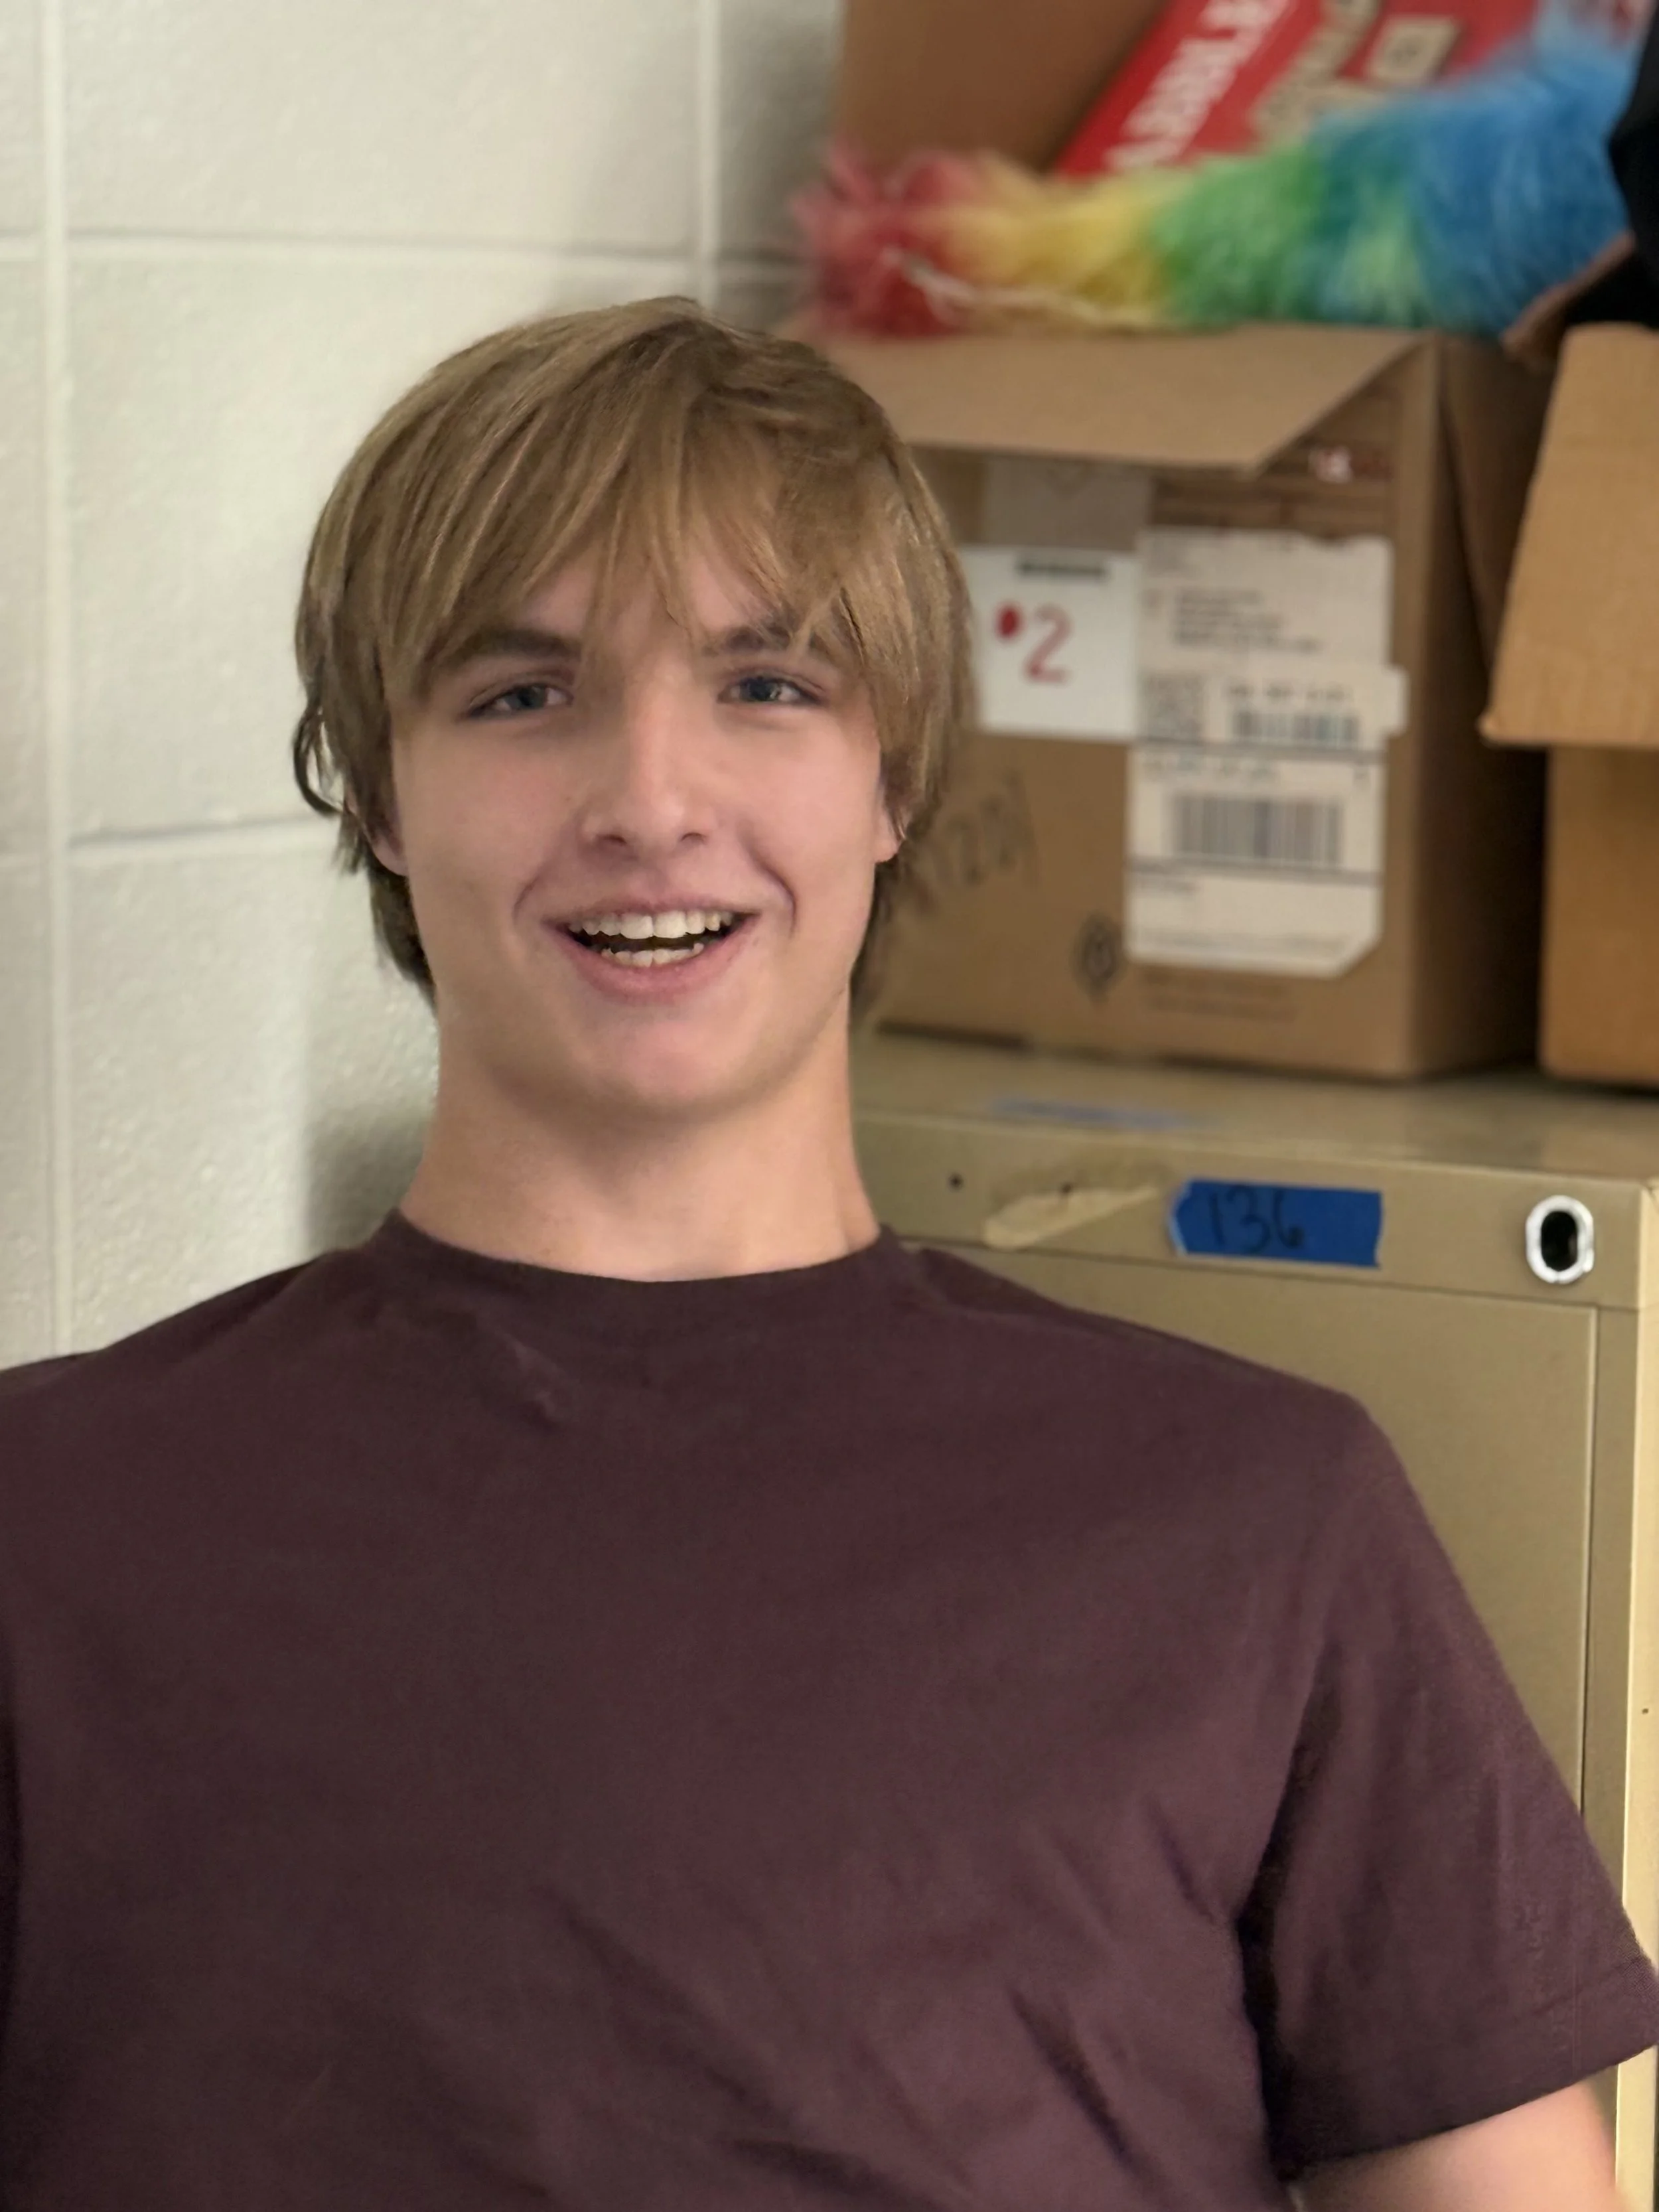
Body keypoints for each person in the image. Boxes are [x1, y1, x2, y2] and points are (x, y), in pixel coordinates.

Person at [0, 299, 1651, 2211]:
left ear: (893, 780)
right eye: (521, 692)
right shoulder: (55, 1519)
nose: (650, 799)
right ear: (378, 787)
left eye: (765, 685)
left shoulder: (1255, 1517)